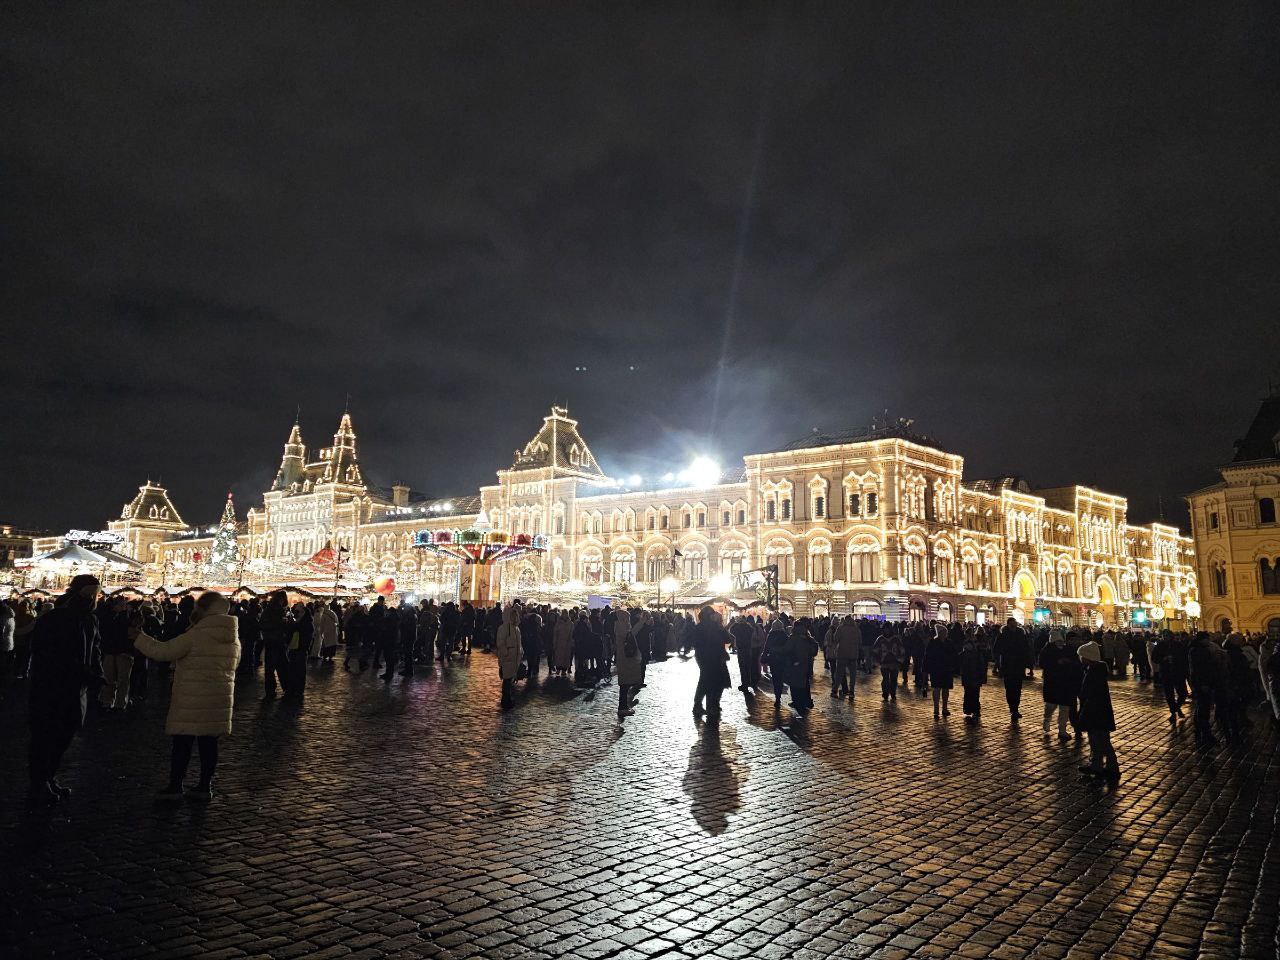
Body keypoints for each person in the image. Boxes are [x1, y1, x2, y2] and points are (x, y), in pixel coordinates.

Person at [131, 590, 239, 801]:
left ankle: (175, 786)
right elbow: (234, 664)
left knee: (182, 744)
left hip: (191, 697)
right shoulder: (233, 638)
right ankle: (204, 786)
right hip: (218, 699)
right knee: (209, 746)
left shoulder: (197, 634)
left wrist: (140, 638)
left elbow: (165, 652)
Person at [26, 575, 104, 807]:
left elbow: (96, 648)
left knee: (64, 735)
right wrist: (83, 671)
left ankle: (49, 778)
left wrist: (96, 672)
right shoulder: (55, 618)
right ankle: (39, 783)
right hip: (51, 688)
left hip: (76, 688)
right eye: (89, 594)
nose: (93, 599)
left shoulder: (90, 619)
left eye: (95, 594)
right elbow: (50, 654)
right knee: (46, 737)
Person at [1076, 640, 1119, 782]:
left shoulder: (1093, 673)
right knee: (1100, 741)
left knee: (1099, 741)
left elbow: (1088, 694)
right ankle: (1101, 765)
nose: (1080, 658)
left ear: (1088, 658)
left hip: (1096, 712)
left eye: (1082, 656)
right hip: (1098, 712)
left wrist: (1084, 711)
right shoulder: (1094, 671)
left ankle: (1103, 767)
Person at [1039, 629, 1080, 742]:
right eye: (1057, 641)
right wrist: (1056, 663)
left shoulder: (1068, 649)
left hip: (1066, 682)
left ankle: (1062, 730)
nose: (1060, 643)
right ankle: (1047, 720)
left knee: (1065, 708)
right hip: (1052, 682)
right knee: (1050, 706)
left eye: (1061, 641)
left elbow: (1076, 662)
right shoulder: (1046, 650)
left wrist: (1069, 663)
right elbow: (1042, 664)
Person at [692, 606, 732, 720]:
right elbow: (727, 639)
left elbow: (695, 643)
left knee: (705, 680)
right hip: (715, 658)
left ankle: (700, 705)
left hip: (703, 658)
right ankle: (711, 706)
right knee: (712, 682)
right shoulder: (715, 626)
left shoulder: (698, 627)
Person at [993, 618, 1031, 720]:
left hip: (1018, 665)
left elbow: (1026, 648)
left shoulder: (1021, 634)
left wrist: (1026, 661)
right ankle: (1012, 708)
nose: (1014, 626)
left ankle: (1016, 708)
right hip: (1007, 665)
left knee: (1018, 688)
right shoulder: (1003, 635)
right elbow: (996, 649)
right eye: (1012, 624)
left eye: (1015, 624)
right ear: (1008, 625)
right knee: (1010, 688)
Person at [260, 591, 290, 698]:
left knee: (270, 667)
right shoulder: (278, 610)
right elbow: (280, 625)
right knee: (281, 665)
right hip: (277, 640)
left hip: (270, 641)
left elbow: (262, 624)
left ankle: (270, 690)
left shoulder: (268, 609)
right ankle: (286, 687)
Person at [614, 611, 644, 720]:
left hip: (625, 658)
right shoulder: (621, 626)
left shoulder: (622, 625)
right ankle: (622, 708)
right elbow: (630, 635)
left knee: (625, 684)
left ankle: (623, 706)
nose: (628, 619)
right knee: (624, 684)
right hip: (625, 658)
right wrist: (641, 623)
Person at [924, 624, 957, 719]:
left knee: (945, 690)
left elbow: (954, 654)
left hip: (946, 669)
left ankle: (945, 708)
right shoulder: (933, 642)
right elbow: (928, 657)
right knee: (937, 689)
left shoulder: (949, 642)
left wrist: (953, 665)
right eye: (944, 632)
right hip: (936, 669)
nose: (945, 634)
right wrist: (926, 669)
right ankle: (936, 708)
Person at [495, 605, 522, 708]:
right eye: (513, 615)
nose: (515, 618)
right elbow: (500, 643)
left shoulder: (516, 628)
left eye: (516, 615)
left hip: (514, 658)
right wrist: (506, 653)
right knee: (507, 679)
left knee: (510, 679)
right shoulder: (504, 628)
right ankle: (506, 699)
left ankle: (508, 698)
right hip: (508, 658)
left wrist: (520, 653)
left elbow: (519, 643)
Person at [872, 627, 903, 702]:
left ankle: (893, 693)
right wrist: (876, 660)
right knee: (885, 679)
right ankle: (885, 693)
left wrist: (901, 660)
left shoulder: (896, 639)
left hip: (894, 662)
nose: (887, 630)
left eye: (888, 628)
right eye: (885, 628)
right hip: (884, 662)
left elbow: (901, 649)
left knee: (894, 679)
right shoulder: (880, 639)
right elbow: (875, 650)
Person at [832, 616, 861, 700]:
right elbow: (860, 641)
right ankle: (851, 691)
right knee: (853, 674)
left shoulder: (840, 628)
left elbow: (836, 639)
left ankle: (835, 690)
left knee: (839, 673)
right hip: (853, 655)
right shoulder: (856, 629)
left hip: (842, 654)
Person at [959, 634, 986, 722]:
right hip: (969, 676)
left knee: (974, 693)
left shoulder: (977, 654)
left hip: (974, 676)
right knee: (969, 693)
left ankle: (974, 709)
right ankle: (970, 709)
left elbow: (982, 666)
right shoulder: (964, 654)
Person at [730, 616, 757, 694]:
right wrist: (746, 623)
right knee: (748, 667)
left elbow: (731, 630)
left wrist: (736, 622)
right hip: (748, 649)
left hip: (741, 649)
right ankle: (748, 682)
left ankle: (744, 685)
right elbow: (752, 630)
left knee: (742, 667)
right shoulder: (749, 628)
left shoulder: (737, 628)